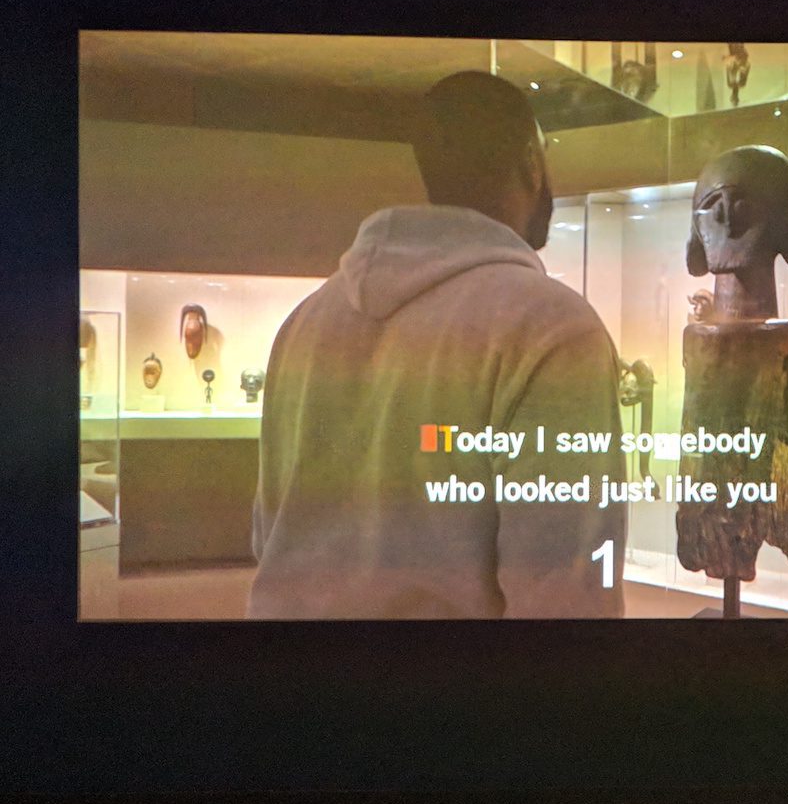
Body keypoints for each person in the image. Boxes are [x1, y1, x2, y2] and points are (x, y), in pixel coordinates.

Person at [248, 71, 627, 618]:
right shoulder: (552, 327)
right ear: (531, 162)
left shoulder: (305, 322)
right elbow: (565, 589)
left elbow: (271, 539)